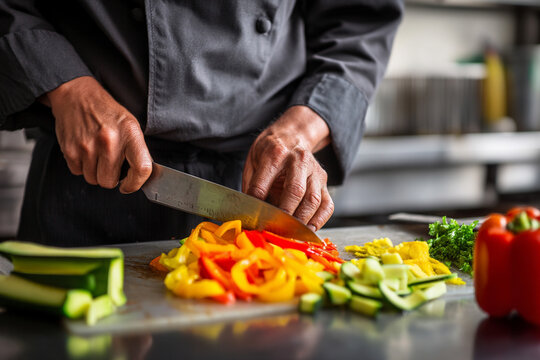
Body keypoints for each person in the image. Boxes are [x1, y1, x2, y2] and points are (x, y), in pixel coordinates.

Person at [0, 0, 403, 246]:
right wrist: (67, 87)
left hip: (257, 183)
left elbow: (361, 20)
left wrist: (301, 128)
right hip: (90, 171)